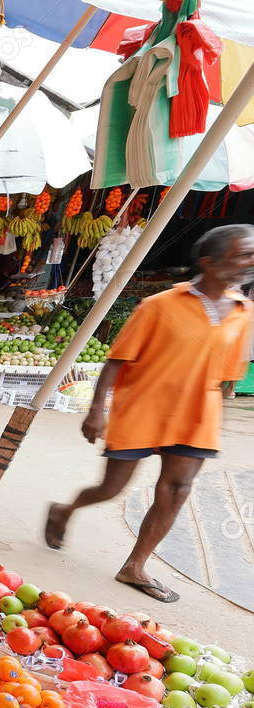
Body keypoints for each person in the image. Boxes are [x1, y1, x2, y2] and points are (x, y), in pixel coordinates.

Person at [44, 224, 254, 604]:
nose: (249, 261)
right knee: (111, 488)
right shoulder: (159, 306)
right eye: (241, 254)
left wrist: (217, 416)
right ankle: (65, 509)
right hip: (144, 408)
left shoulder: (243, 312)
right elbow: (116, 360)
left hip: (196, 416)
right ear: (208, 262)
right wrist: (96, 411)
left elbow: (228, 378)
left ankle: (135, 566)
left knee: (177, 490)